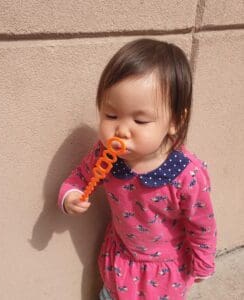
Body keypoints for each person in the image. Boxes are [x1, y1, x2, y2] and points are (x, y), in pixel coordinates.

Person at [58, 38, 217, 299]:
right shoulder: (105, 153)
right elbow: (79, 178)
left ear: (176, 121)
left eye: (140, 120)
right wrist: (70, 196)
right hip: (119, 258)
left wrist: (203, 263)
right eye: (111, 116)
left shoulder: (187, 176)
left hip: (164, 273)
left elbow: (202, 226)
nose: (121, 130)